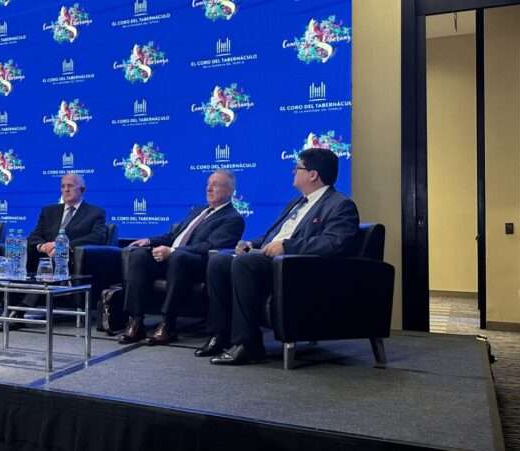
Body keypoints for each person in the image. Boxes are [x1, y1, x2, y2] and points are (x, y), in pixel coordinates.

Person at [201, 148, 360, 365]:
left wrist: (286, 247)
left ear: (313, 174)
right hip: (270, 260)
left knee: (245, 263)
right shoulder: (296, 202)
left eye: (298, 168)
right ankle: (220, 334)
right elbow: (274, 235)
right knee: (219, 260)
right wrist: (251, 244)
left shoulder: (340, 205)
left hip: (297, 269)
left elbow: (334, 243)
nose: (293, 172)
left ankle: (248, 345)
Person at [119, 170, 244, 345]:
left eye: (215, 185)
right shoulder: (198, 211)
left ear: (230, 191)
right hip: (173, 256)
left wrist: (172, 251)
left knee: (178, 258)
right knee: (139, 255)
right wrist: (149, 241)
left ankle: (168, 324)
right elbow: (173, 236)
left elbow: (210, 246)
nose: (209, 189)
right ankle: (136, 320)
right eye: (208, 184)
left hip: (197, 264)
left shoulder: (233, 218)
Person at [0, 173, 107, 330]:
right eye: (63, 186)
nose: (66, 190)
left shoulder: (95, 212)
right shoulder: (49, 211)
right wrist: (42, 246)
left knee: (53, 259)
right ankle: (8, 307)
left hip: (70, 260)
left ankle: (18, 312)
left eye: (70, 186)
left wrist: (62, 246)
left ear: (82, 189)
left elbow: (97, 237)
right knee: (19, 252)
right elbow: (34, 236)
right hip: (44, 255)